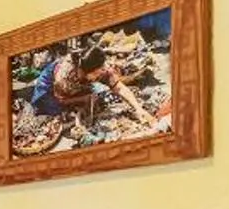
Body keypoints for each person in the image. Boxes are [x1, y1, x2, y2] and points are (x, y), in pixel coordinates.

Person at [24, 38, 159, 136]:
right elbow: (61, 99)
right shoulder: (63, 78)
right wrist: (83, 99)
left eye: (101, 70)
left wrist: (138, 108)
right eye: (97, 72)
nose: (102, 72)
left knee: (98, 97)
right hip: (50, 87)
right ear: (85, 71)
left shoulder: (96, 67)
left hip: (76, 84)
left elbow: (118, 86)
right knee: (56, 111)